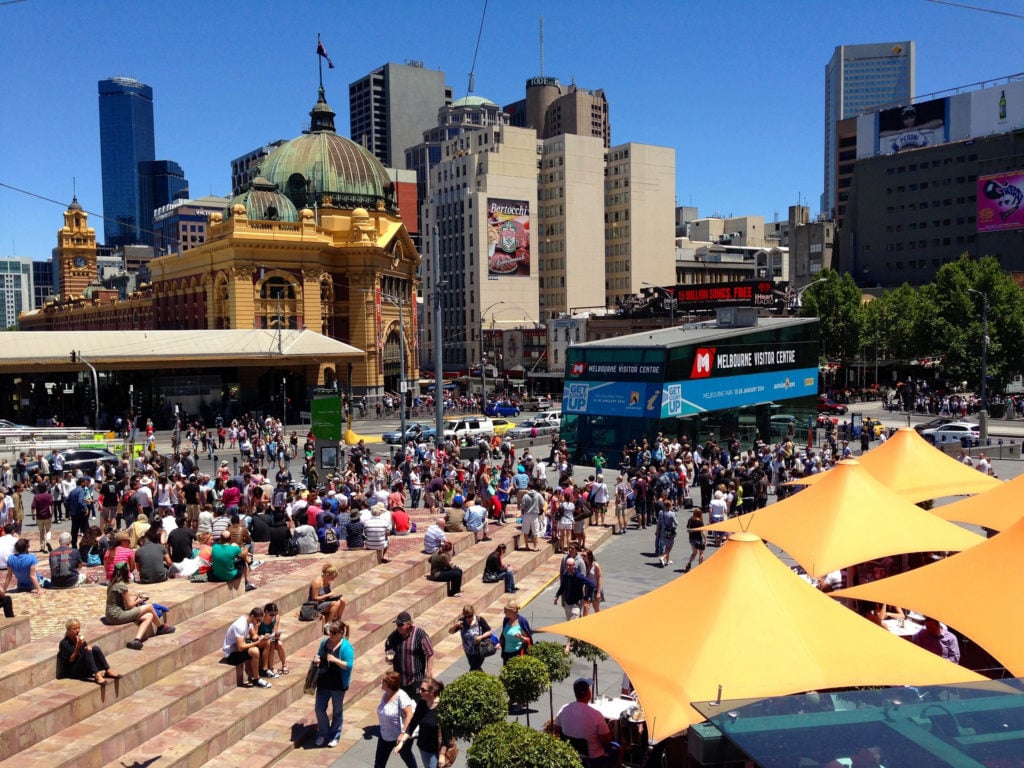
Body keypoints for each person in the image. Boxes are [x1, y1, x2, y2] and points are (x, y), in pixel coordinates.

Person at [106, 562, 174, 650]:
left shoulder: (112, 584)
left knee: (149, 616)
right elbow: (129, 605)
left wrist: (134, 600)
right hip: (117, 615)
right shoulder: (121, 586)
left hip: (110, 615)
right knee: (149, 607)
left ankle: (137, 640)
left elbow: (123, 602)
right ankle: (161, 627)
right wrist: (138, 600)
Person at [553, 678, 617, 767]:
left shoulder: (564, 709)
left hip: (570, 756)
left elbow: (555, 731)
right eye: (589, 688)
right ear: (588, 693)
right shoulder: (596, 715)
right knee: (618, 749)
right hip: (594, 761)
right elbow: (606, 741)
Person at [313, 619, 354, 748]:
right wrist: (317, 658)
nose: (331, 635)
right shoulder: (325, 643)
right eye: (330, 632)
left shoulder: (346, 647)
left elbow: (349, 665)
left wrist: (336, 660)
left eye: (334, 633)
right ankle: (323, 733)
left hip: (338, 684)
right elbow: (319, 654)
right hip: (323, 682)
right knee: (319, 709)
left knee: (337, 711)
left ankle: (335, 735)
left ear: (341, 633)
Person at [401, 676, 455, 768]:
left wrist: (442, 754)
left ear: (432, 692)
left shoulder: (442, 708)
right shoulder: (422, 704)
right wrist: (403, 739)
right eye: (420, 688)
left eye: (423, 689)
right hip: (424, 747)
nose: (419, 691)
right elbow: (414, 721)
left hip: (437, 748)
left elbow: (447, 733)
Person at [384, 610, 434, 698]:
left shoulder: (419, 635)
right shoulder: (393, 637)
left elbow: (429, 653)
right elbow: (389, 654)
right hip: (400, 680)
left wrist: (429, 671)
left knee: (417, 705)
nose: (398, 627)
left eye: (401, 624)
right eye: (397, 624)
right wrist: (389, 658)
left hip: (416, 679)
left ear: (408, 624)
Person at [57, 618, 122, 685]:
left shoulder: (79, 637)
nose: (77, 630)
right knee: (87, 652)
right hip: (74, 670)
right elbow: (71, 660)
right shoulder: (64, 643)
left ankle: (108, 670)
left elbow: (85, 649)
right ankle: (97, 675)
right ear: (68, 630)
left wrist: (88, 648)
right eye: (74, 629)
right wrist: (78, 647)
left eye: (78, 628)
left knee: (95, 648)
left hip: (84, 666)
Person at [221, 606, 273, 688]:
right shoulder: (240, 626)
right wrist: (257, 643)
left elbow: (254, 636)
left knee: (267, 642)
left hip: (239, 649)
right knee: (254, 651)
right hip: (231, 654)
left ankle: (264, 670)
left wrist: (262, 637)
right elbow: (240, 647)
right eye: (258, 620)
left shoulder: (250, 622)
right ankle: (256, 679)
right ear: (252, 616)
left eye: (260, 620)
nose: (259, 622)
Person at [375, 670, 416, 768]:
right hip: (384, 735)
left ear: (389, 684)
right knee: (379, 763)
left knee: (407, 758)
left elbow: (409, 715)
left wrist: (403, 734)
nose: (381, 682)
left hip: (399, 736)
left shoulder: (401, 696)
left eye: (383, 681)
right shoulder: (385, 694)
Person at [449, 604, 492, 671]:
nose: (468, 618)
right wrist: (455, 626)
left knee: (473, 670)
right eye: (466, 617)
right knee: (477, 668)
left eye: (470, 616)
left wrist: (481, 637)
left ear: (473, 613)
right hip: (468, 651)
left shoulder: (479, 620)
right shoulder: (462, 622)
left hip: (480, 650)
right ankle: (488, 680)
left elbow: (489, 632)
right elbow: (451, 632)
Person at [554, 556, 595, 622]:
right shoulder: (565, 574)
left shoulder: (579, 576)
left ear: (574, 566)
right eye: (567, 565)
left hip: (576, 604)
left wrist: (586, 598)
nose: (568, 567)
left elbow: (591, 585)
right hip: (567, 604)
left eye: (570, 565)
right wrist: (557, 595)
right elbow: (563, 586)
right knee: (569, 624)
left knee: (573, 623)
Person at [257, 602, 288, 677]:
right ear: (266, 612)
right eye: (271, 614)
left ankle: (284, 665)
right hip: (261, 639)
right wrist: (262, 636)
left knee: (279, 644)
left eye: (274, 614)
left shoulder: (276, 618)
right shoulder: (260, 620)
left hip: (270, 638)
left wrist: (276, 635)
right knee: (271, 643)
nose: (273, 616)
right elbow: (255, 634)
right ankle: (270, 667)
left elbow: (274, 631)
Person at [499, 599, 533, 665]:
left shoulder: (522, 621)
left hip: (518, 654)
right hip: (506, 653)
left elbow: (528, 640)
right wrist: (499, 643)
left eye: (506, 611)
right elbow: (503, 634)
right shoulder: (506, 620)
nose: (504, 612)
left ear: (512, 611)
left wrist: (521, 637)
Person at [658, 504, 679, 569]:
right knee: (670, 547)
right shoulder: (672, 514)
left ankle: (667, 561)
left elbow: (659, 522)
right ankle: (663, 557)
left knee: (667, 546)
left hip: (663, 531)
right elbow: (676, 523)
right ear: (669, 506)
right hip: (669, 532)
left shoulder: (661, 512)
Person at [684, 506, 705, 572]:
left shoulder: (690, 519)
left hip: (692, 539)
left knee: (694, 553)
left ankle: (689, 563)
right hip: (699, 539)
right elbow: (702, 532)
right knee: (701, 553)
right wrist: (705, 539)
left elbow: (688, 528)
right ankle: (700, 567)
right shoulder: (700, 522)